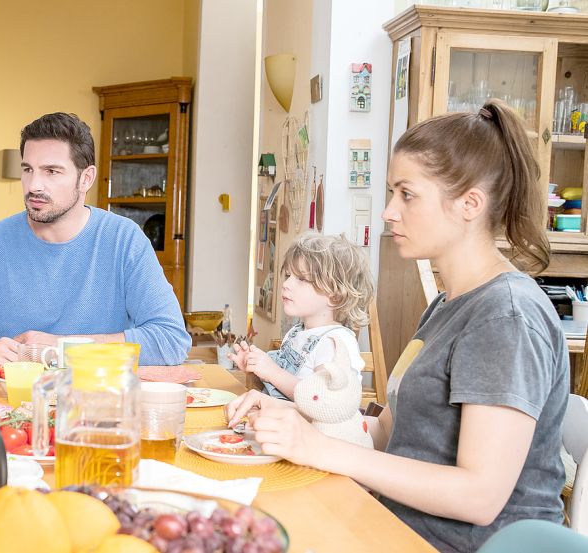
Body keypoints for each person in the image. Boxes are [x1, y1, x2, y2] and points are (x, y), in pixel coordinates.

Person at [228, 100, 568, 553]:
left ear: (470, 204)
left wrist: (318, 448)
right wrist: (290, 419)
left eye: (407, 195)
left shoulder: (505, 316)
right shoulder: (447, 305)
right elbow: (390, 432)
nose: (389, 212)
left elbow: (480, 497)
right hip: (394, 523)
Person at [0, 112, 190, 368]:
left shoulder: (124, 241)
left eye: (51, 171)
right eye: (28, 169)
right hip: (6, 410)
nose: (34, 185)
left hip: (96, 405)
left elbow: (171, 339)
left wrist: (65, 349)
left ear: (86, 179)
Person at [226, 233, 373, 402]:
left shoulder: (335, 343)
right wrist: (257, 370)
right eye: (288, 276)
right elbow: (283, 391)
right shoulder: (298, 332)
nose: (286, 284)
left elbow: (321, 401)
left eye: (302, 279)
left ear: (336, 296)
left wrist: (272, 371)